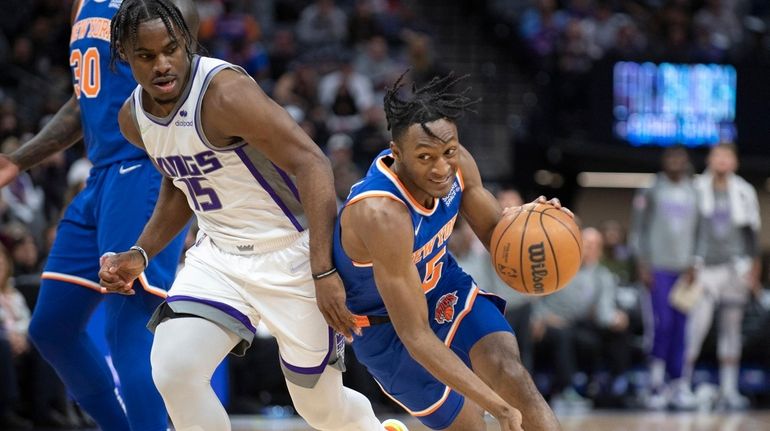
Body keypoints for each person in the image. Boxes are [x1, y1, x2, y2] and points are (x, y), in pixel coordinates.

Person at [98, 1, 401, 430]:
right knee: (173, 369)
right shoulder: (133, 118)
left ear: (187, 41)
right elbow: (181, 180)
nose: (162, 64)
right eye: (146, 56)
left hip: (291, 253)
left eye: (170, 49)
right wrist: (140, 253)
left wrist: (322, 271)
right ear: (125, 56)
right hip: (219, 257)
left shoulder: (225, 94)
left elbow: (313, 163)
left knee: (320, 409)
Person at [0, 1, 197, 430]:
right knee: (52, 328)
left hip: (143, 171)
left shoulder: (161, 5)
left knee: (126, 329)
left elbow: (190, 85)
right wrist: (17, 160)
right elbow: (82, 102)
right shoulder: (81, 5)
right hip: (100, 175)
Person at [333, 72, 563, 431]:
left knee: (511, 374)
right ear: (397, 154)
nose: (441, 168)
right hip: (387, 328)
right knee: (473, 424)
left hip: (442, 285)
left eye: (448, 153)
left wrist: (534, 229)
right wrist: (497, 408)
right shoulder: (382, 214)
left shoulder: (457, 164)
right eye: (425, 157)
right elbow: (417, 336)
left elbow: (500, 244)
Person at [684, 142, 761, 410]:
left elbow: (752, 235)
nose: (722, 160)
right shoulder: (696, 189)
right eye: (718, 155)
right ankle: (683, 386)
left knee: (731, 330)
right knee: (696, 328)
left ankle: (729, 390)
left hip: (735, 268)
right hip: (703, 268)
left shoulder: (744, 191)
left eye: (728, 156)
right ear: (709, 159)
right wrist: (688, 264)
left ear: (735, 162)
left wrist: (755, 269)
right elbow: (688, 230)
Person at [628, 145, 699, 410]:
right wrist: (642, 263)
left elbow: (700, 231)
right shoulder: (651, 188)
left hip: (685, 270)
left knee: (682, 327)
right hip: (657, 268)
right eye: (671, 157)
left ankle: (678, 384)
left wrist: (696, 262)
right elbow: (637, 229)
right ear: (664, 161)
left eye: (680, 158)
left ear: (687, 162)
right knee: (662, 325)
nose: (675, 162)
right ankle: (655, 383)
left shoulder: (695, 191)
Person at [531, 228, 630, 409]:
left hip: (578, 325)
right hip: (549, 323)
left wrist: (616, 319)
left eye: (594, 246)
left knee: (614, 335)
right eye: (585, 244)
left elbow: (603, 313)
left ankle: (617, 386)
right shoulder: (557, 267)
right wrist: (542, 318)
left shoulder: (602, 276)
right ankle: (566, 390)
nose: (588, 249)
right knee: (564, 335)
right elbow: (534, 297)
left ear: (599, 250)